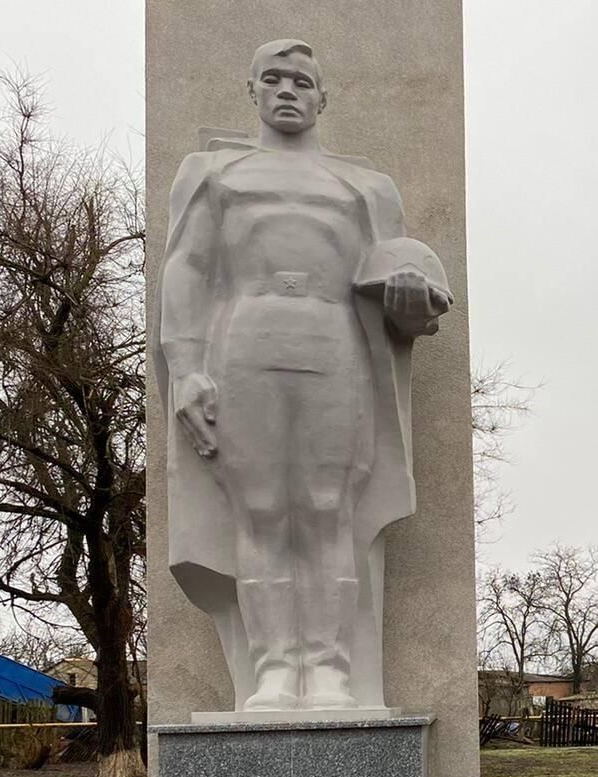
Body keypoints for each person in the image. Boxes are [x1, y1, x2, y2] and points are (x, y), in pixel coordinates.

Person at [160, 39, 453, 711]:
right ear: (253, 92)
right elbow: (186, 269)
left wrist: (411, 297)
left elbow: (398, 290)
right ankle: (273, 670)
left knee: (328, 512)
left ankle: (327, 668)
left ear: (323, 98)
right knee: (262, 511)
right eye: (273, 79)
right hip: (246, 340)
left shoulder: (364, 186)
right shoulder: (215, 174)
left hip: (334, 342)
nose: (287, 90)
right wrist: (186, 368)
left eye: (300, 81)